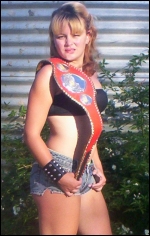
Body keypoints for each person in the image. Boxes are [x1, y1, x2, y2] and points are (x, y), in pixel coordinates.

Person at [24, 1, 112, 235]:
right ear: (53, 39)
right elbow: (31, 135)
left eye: (75, 34)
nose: (69, 42)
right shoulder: (49, 73)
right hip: (56, 167)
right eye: (61, 36)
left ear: (88, 36)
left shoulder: (90, 76)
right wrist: (58, 175)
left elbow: (89, 128)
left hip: (87, 169)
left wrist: (99, 168)